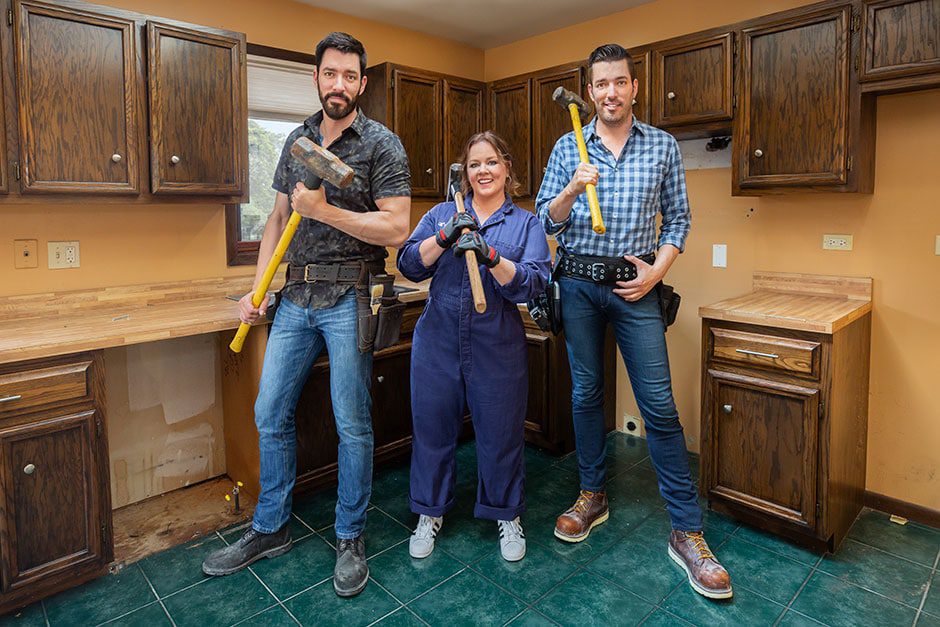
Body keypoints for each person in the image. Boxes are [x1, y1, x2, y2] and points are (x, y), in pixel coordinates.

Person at [201, 32, 410, 599]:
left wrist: (323, 210)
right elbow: (274, 221)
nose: (338, 84)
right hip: (294, 297)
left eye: (349, 76)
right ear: (316, 79)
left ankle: (350, 536)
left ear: (361, 84)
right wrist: (259, 287)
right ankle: (270, 529)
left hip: (351, 295)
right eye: (329, 74)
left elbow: (396, 227)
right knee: (270, 411)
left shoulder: (382, 145)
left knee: (352, 422)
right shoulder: (297, 140)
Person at [535, 43, 732, 599]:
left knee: (659, 404)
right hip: (575, 282)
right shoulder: (567, 147)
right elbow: (545, 220)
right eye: (601, 84)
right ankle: (591, 495)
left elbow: (680, 221)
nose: (611, 93)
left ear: (634, 87)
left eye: (620, 82)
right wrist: (572, 188)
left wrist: (656, 272)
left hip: (635, 285)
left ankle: (686, 532)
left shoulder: (662, 146)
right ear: (590, 90)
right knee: (585, 393)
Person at [397, 131, 550, 562]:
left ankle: (506, 515)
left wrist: (491, 255)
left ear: (506, 170)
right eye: (474, 164)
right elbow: (408, 264)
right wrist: (444, 237)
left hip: (497, 340)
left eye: (491, 162)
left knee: (501, 433)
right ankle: (429, 512)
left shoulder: (525, 223)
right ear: (464, 173)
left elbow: (535, 282)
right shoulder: (443, 213)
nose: (483, 170)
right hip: (437, 338)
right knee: (432, 429)